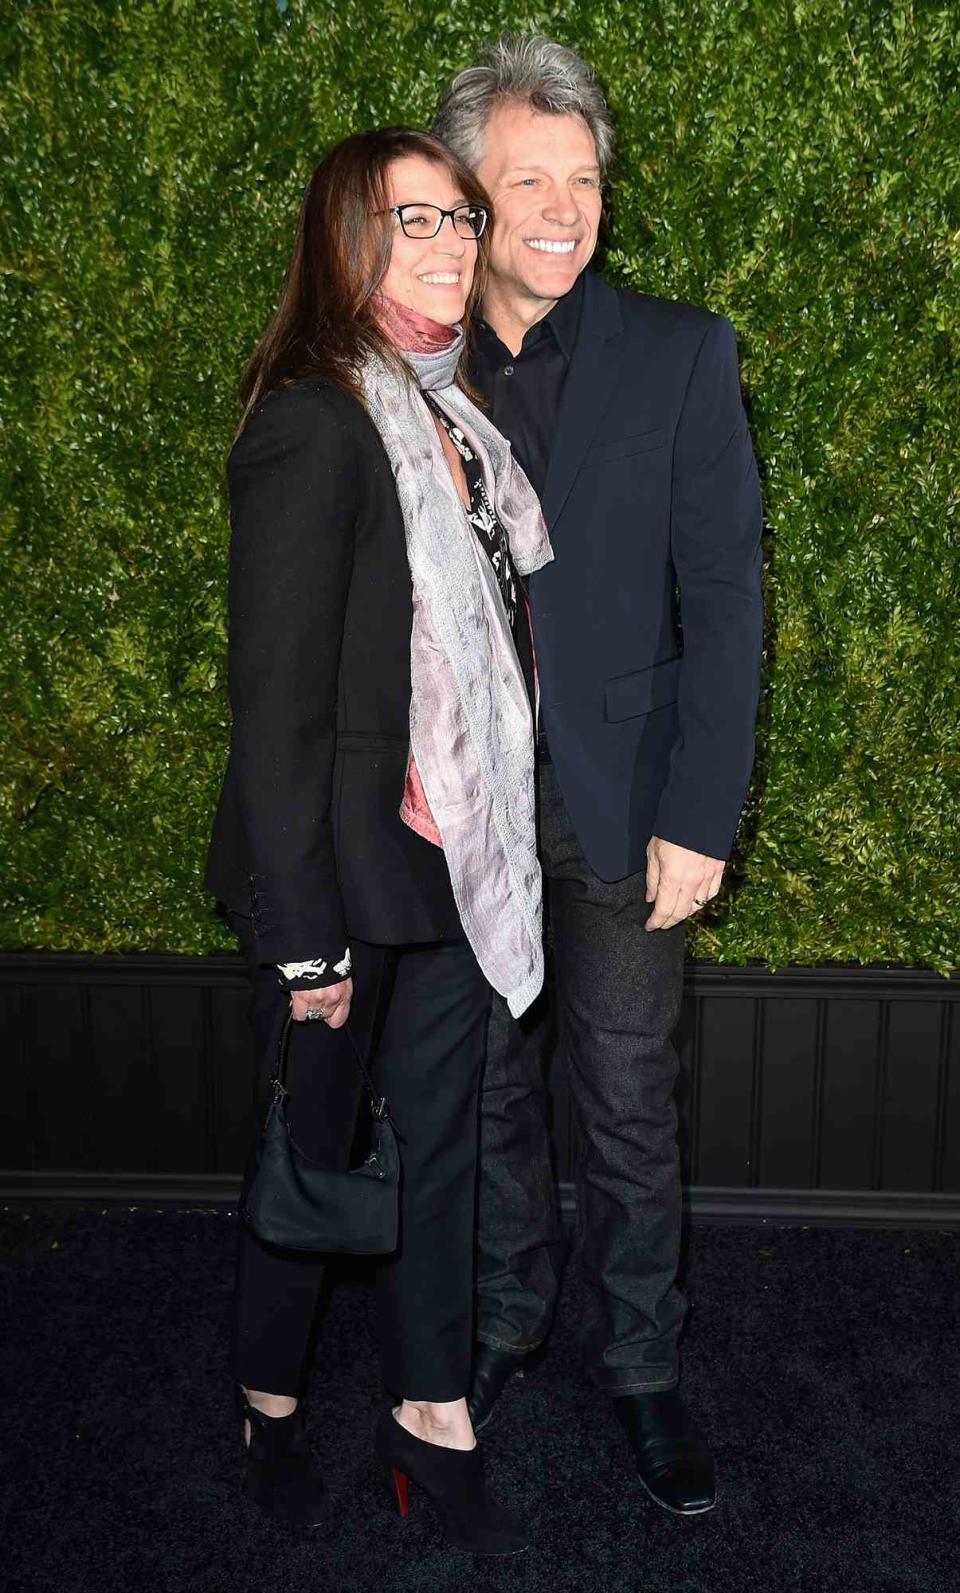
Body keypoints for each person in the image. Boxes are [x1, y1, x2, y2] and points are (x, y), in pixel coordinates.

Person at [203, 124, 553, 1555]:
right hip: (341, 876)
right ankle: (270, 1399)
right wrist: (301, 942)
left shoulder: (461, 422)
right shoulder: (311, 417)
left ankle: (431, 1405)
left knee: (444, 1149)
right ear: (348, 236)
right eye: (419, 223)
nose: (455, 247)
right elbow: (275, 709)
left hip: (455, 860)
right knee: (319, 1151)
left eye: (462, 222)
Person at [433, 35, 764, 1514]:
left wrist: (704, 815)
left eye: (585, 180)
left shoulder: (683, 351)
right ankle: (507, 1318)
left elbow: (727, 596)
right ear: (468, 198)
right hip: (462, 803)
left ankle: (641, 1363)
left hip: (626, 803)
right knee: (491, 1092)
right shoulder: (404, 363)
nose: (564, 209)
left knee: (627, 1095)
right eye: (529, 181)